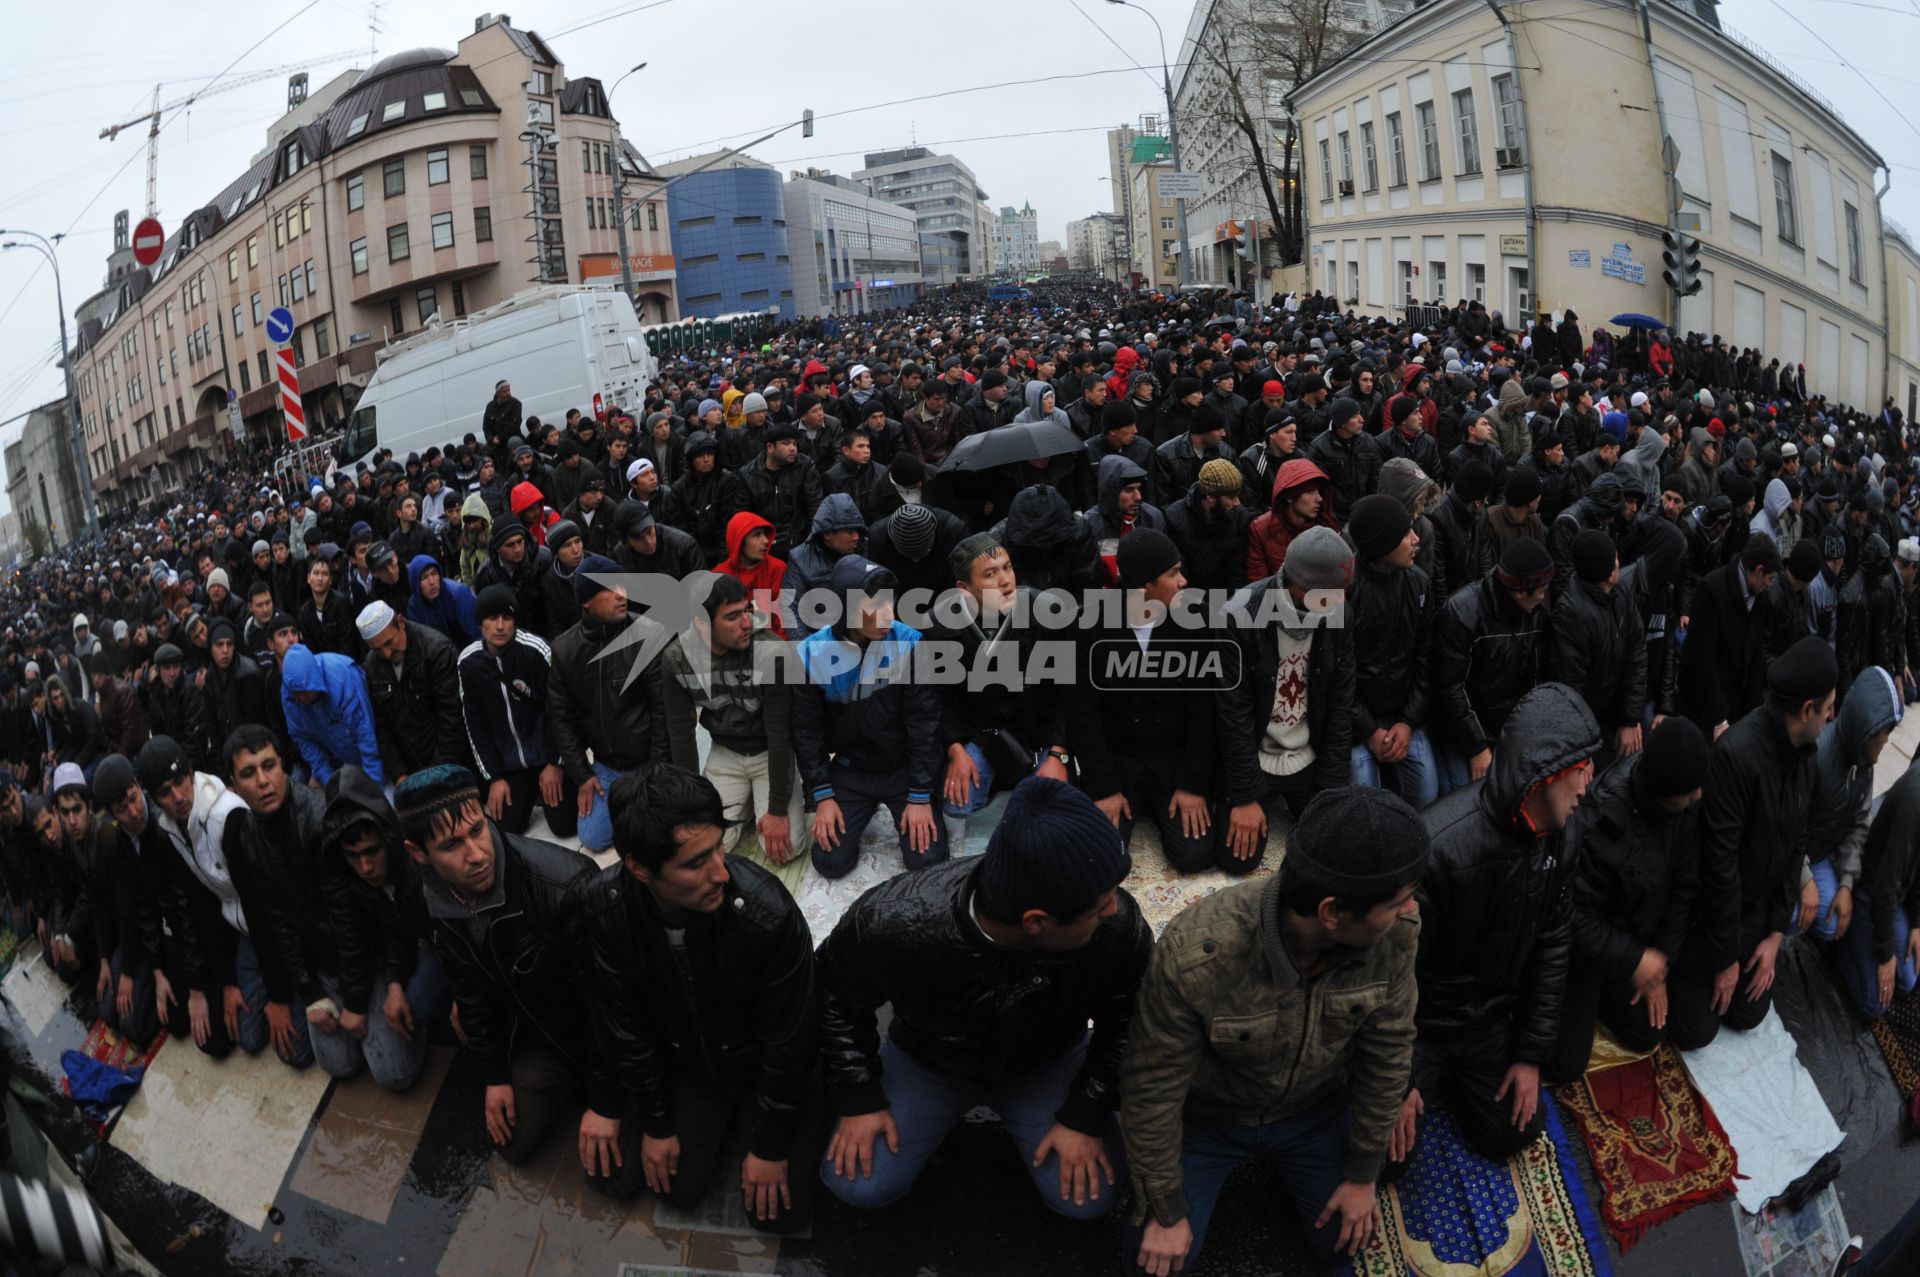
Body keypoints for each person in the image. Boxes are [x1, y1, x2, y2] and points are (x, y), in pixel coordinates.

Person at [815, 777, 1149, 1221]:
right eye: (1099, 906)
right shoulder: (894, 919)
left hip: (1046, 1062)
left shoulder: (1118, 931)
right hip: (928, 1063)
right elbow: (833, 997)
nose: (1115, 910)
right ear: (1037, 922)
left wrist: (1085, 1112)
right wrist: (859, 1096)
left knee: (1090, 1199)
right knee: (859, 1184)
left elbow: (1129, 1023)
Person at [1122, 789, 1427, 1274]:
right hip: (1210, 1121)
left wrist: (1362, 1174)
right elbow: (1152, 1088)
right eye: (1397, 902)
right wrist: (1167, 1210)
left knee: (1342, 1244)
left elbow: (1389, 1050)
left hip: (1313, 1111)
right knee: (1156, 1264)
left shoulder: (1395, 936)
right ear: (1332, 913)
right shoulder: (1196, 954)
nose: (1410, 911)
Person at [566, 765, 825, 1225]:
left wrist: (768, 1145)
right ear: (639, 869)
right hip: (690, 1065)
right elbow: (620, 1023)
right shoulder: (604, 909)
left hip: (758, 1068)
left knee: (777, 1215)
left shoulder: (767, 916)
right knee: (664, 1187)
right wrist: (657, 1122)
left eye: (718, 848)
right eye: (695, 862)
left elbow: (792, 1043)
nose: (720, 873)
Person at [1393, 683, 1597, 1168]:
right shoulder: (1439, 847)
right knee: (1388, 1156)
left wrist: (1528, 1054)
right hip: (1424, 1026)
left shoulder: (1565, 839)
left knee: (1516, 1130)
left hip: (1486, 1022)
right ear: (1547, 776)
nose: (1588, 786)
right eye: (1581, 772)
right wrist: (1397, 1082)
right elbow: (1392, 975)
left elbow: (1552, 946)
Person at [398, 765, 593, 1164]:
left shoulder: (565, 884)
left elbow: (612, 1007)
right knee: (512, 1145)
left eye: (477, 830)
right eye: (452, 846)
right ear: (419, 855)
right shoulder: (427, 897)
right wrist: (495, 1076)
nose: (477, 855)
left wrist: (608, 1103)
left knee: (625, 1178)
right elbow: (466, 986)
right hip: (537, 1033)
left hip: (590, 1035)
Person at [1669, 637, 1836, 1045]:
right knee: (1697, 1030)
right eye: (1829, 710)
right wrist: (1726, 957)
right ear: (1806, 710)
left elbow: (1795, 845)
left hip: (1757, 915)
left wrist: (1775, 936)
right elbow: (1719, 867)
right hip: (1714, 916)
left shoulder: (1806, 759)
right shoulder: (1736, 756)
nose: (1832, 719)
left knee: (1748, 1013)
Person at [1547, 718, 1712, 1084]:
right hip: (1593, 953)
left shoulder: (1682, 810)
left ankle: (1613, 997)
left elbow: (1682, 890)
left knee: (1650, 1032)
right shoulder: (1602, 820)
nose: (1698, 795)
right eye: (1689, 791)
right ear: (1666, 791)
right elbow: (1575, 917)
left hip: (1638, 939)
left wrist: (1659, 965)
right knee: (1567, 1062)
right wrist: (1634, 959)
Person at [1069, 531, 1229, 873]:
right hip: (1118, 762)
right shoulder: (1090, 626)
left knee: (1195, 855)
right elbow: (1084, 713)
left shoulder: (1196, 622)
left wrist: (1192, 784)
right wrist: (1104, 787)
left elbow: (1205, 712)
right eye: (1173, 574)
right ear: (1144, 587)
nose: (1184, 581)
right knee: (1100, 858)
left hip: (1173, 761)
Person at [793, 558, 947, 878]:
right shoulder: (811, 654)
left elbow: (925, 724)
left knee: (927, 860)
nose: (889, 614)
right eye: (875, 606)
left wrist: (920, 795)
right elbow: (807, 732)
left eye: (890, 602)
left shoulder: (911, 644)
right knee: (830, 861)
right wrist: (822, 795)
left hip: (902, 769)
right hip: (851, 769)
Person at [138, 735, 288, 1062]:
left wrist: (278, 997)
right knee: (246, 1039)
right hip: (241, 930)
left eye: (180, 782)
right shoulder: (172, 829)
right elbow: (201, 908)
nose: (178, 797)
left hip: (275, 928)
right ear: (154, 798)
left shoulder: (227, 818)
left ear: (191, 773)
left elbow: (262, 907)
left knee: (301, 1051)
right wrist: (226, 982)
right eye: (165, 792)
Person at [660, 574, 810, 893]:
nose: (746, 622)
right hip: (724, 752)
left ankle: (759, 802)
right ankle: (743, 805)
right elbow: (682, 736)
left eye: (748, 609)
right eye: (732, 616)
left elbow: (782, 736)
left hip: (769, 750)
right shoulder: (676, 659)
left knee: (785, 848)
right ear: (701, 624)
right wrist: (692, 806)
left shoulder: (771, 652)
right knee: (708, 846)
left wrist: (778, 809)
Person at [321, 764, 449, 1092]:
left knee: (420, 1006)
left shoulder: (419, 860)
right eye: (353, 856)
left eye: (371, 852)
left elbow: (460, 931)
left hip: (451, 942)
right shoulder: (355, 878)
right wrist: (393, 983)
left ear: (388, 838)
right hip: (416, 942)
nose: (365, 867)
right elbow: (394, 927)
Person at [547, 556, 665, 855]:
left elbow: (663, 710)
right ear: (586, 601)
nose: (621, 594)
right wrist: (583, 776)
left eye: (622, 586)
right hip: (606, 766)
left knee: (657, 835)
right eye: (609, 588)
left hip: (648, 761)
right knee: (593, 838)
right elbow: (561, 719)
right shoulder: (565, 650)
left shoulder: (647, 633)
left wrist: (657, 770)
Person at [1432, 536, 1552, 789]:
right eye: (1541, 590)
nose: (1544, 595)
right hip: (1462, 733)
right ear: (1520, 592)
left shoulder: (1536, 612)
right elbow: (1450, 688)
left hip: (1507, 727)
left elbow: (1534, 678)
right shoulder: (1461, 613)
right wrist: (1476, 746)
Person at [457, 586, 577, 838]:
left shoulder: (537, 651)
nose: (500, 626)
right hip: (511, 764)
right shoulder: (468, 663)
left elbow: (561, 711)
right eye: (492, 618)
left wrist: (556, 763)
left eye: (507, 618)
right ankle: (527, 792)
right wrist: (494, 778)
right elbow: (475, 725)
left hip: (547, 756)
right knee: (507, 827)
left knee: (565, 825)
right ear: (480, 624)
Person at [1344, 494, 1439, 807]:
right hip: (1358, 723)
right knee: (1365, 799)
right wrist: (1368, 730)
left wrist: (1407, 722)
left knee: (1426, 796)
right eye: (1405, 534)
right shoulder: (1345, 592)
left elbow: (1427, 663)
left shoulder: (1419, 585)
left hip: (1404, 715)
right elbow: (1339, 674)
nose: (1416, 540)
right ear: (1382, 546)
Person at [1802, 668, 1901, 952]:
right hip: (1794, 858)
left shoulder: (1864, 764)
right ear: (1867, 728)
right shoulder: (1817, 757)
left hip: (1821, 853)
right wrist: (1804, 878)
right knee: (1793, 915)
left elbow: (1859, 825)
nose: (1886, 741)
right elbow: (1785, 827)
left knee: (1831, 923)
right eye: (1884, 732)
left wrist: (1845, 884)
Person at [1549, 530, 1649, 760]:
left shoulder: (1619, 591)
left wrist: (1629, 718)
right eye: (1612, 560)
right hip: (1590, 724)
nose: (1618, 562)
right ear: (1601, 571)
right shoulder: (1571, 614)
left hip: (1619, 710)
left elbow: (1637, 652)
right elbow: (1572, 688)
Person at [357, 602, 468, 786]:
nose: (386, 653)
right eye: (377, 649)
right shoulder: (372, 665)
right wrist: (399, 775)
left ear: (401, 622)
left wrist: (436, 776)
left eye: (389, 643)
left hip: (450, 768)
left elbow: (452, 720)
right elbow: (382, 726)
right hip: (410, 772)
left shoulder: (438, 651)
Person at [1678, 539, 1780, 740]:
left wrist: (1753, 713)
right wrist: (1719, 718)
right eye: (1770, 578)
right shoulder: (1711, 589)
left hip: (1737, 702)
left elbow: (1756, 656)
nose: (1770, 585)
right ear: (1758, 571)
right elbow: (1701, 660)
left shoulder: (1760, 598)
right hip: (1705, 707)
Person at [1846, 755, 1920, 1018]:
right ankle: (1839, 943)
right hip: (1871, 893)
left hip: (1896, 894)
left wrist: (1915, 924)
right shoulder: (1915, 802)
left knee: (1908, 981)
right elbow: (1884, 886)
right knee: (1873, 1004)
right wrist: (1886, 955)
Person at [280, 643, 385, 787]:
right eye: (296, 694)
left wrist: (375, 790)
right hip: (341, 762)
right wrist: (331, 784)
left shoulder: (343, 678)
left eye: (304, 691)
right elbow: (304, 740)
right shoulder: (289, 694)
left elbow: (366, 736)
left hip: (377, 753)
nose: (300, 699)